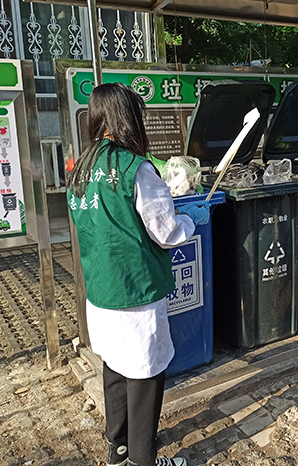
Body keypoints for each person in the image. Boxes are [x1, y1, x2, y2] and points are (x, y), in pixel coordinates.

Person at [67, 82, 208, 466]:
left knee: (114, 367)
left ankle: (119, 451)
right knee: (145, 375)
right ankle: (143, 460)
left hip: (101, 289)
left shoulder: (81, 168)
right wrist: (190, 219)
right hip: (136, 291)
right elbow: (166, 233)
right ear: (128, 117)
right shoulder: (135, 169)